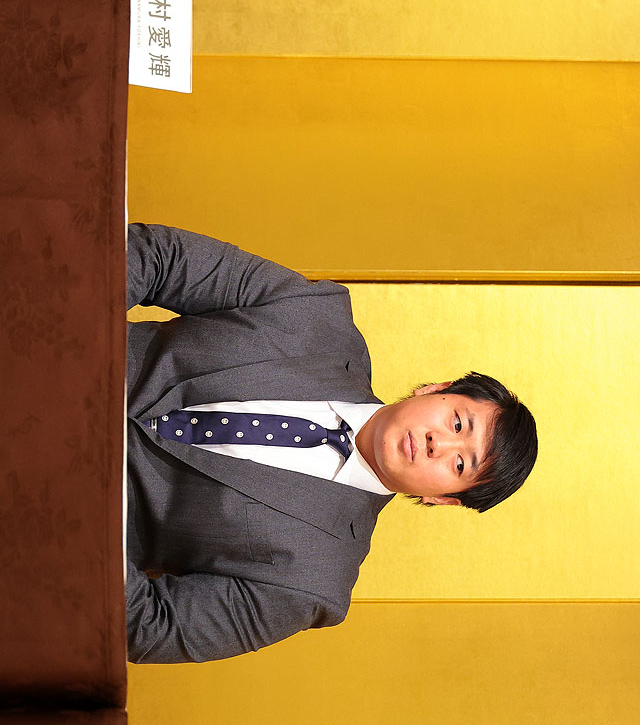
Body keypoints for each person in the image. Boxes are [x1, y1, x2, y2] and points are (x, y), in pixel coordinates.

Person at [125, 223, 537, 663]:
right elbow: (160, 256)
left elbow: (153, 629)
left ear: (442, 499)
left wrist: (84, 533)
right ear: (436, 388)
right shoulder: (314, 314)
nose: (440, 444)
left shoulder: (314, 580)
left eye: (460, 465)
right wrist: (78, 332)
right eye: (457, 422)